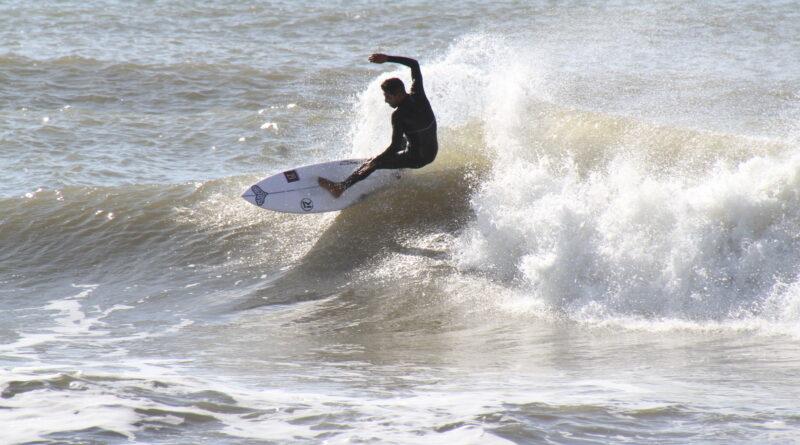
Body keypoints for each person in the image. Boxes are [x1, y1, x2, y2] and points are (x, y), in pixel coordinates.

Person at [318, 53, 437, 198]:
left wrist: (376, 160)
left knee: (376, 162)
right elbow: (414, 64)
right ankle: (399, 173)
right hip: (432, 152)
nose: (386, 101)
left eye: (388, 96)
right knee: (404, 142)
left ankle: (340, 188)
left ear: (399, 94)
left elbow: (394, 147)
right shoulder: (418, 95)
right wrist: (387, 58)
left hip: (418, 159)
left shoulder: (398, 116)